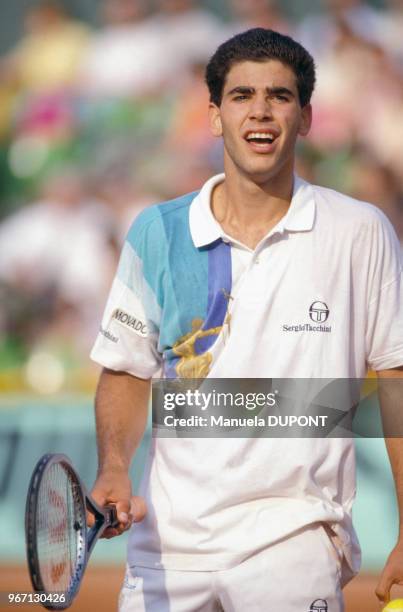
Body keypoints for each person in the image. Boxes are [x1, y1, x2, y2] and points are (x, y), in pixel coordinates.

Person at [90, 28, 403, 611]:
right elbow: (127, 372)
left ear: (306, 117)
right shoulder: (156, 232)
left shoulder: (359, 231)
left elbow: (396, 378)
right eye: (241, 96)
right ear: (213, 115)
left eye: (280, 96)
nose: (260, 111)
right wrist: (112, 467)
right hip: (166, 551)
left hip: (295, 543)